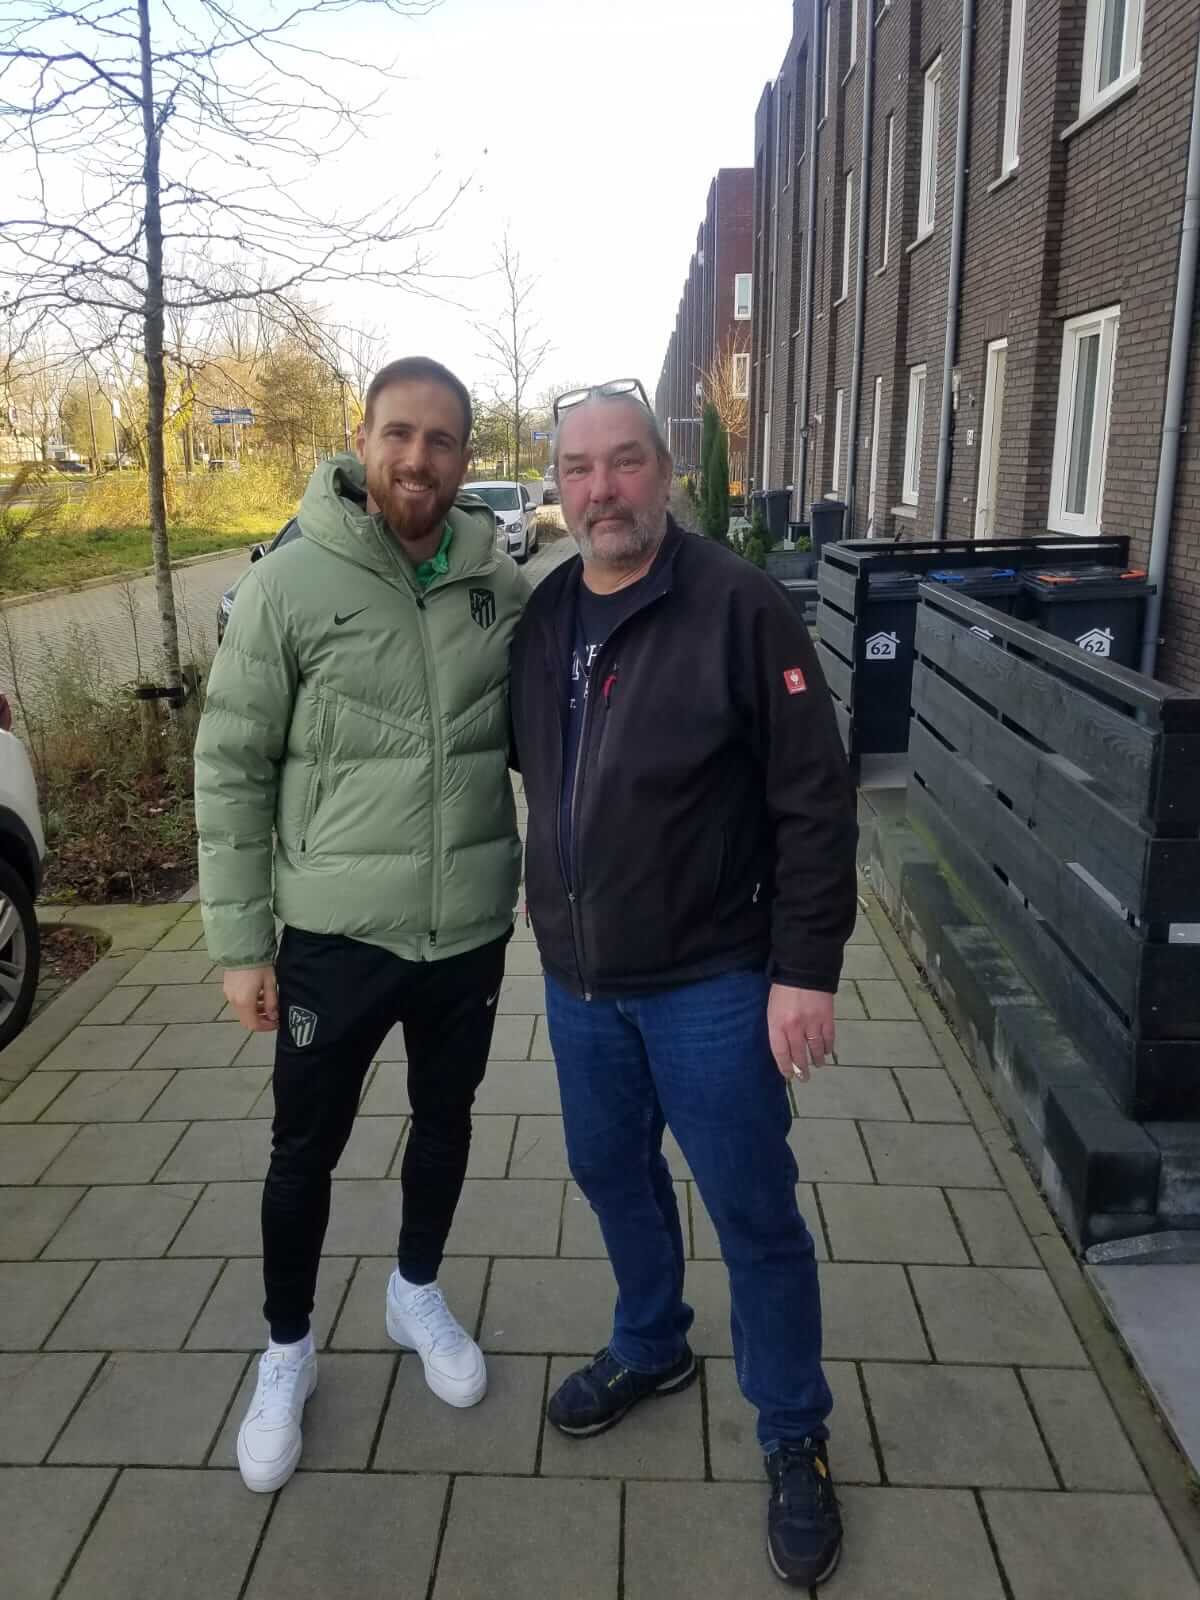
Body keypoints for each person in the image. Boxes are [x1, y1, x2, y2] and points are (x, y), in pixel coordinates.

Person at [509, 380, 858, 1588]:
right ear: (558, 487)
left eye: (624, 462)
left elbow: (814, 799)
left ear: (665, 470)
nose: (601, 489)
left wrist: (803, 969)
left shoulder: (739, 607)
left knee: (753, 1209)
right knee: (610, 1172)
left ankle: (793, 1428)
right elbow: (538, 772)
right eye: (578, 469)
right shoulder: (546, 615)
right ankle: (653, 1338)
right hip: (580, 982)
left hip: (713, 979)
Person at [194, 356, 528, 1493]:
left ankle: (413, 1291)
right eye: (399, 433)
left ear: (466, 458)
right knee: (305, 1151)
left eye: (441, 439)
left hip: (467, 930)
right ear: (362, 439)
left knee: (446, 1121)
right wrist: (242, 944)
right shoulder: (292, 582)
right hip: (335, 937)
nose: (417, 459)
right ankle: (287, 1349)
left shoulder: (498, 586)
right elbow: (231, 765)